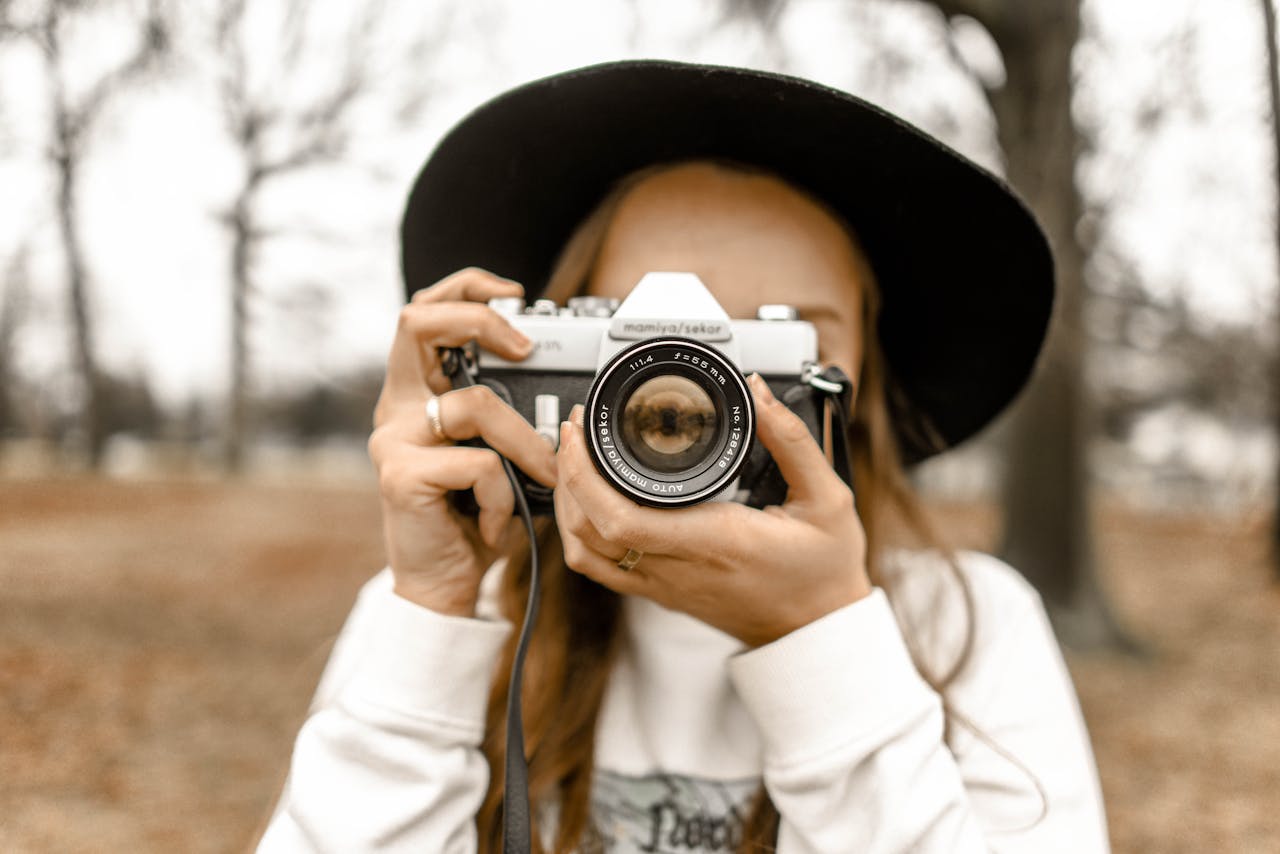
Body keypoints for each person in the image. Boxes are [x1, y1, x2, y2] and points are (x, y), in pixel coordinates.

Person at [258, 61, 1110, 853]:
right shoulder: (452, 611)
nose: (707, 392)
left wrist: (823, 638)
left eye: (777, 338)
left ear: (861, 387)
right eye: (644, 337)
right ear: (546, 357)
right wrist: (430, 614)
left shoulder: (968, 624)